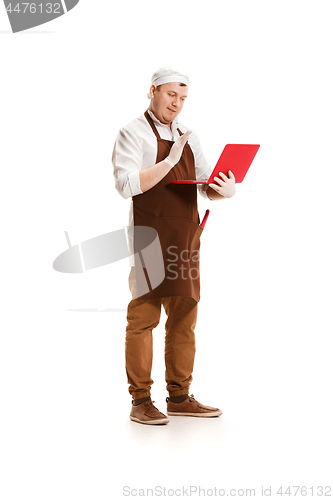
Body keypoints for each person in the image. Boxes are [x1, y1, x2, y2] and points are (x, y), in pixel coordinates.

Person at [112, 67, 236, 425]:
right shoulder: (131, 132)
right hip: (148, 236)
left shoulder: (187, 134)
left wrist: (224, 189)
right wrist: (168, 161)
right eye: (171, 96)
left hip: (185, 237)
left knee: (184, 318)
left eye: (183, 98)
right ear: (153, 90)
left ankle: (179, 397)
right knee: (144, 318)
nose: (177, 104)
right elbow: (124, 185)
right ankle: (141, 401)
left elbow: (205, 184)